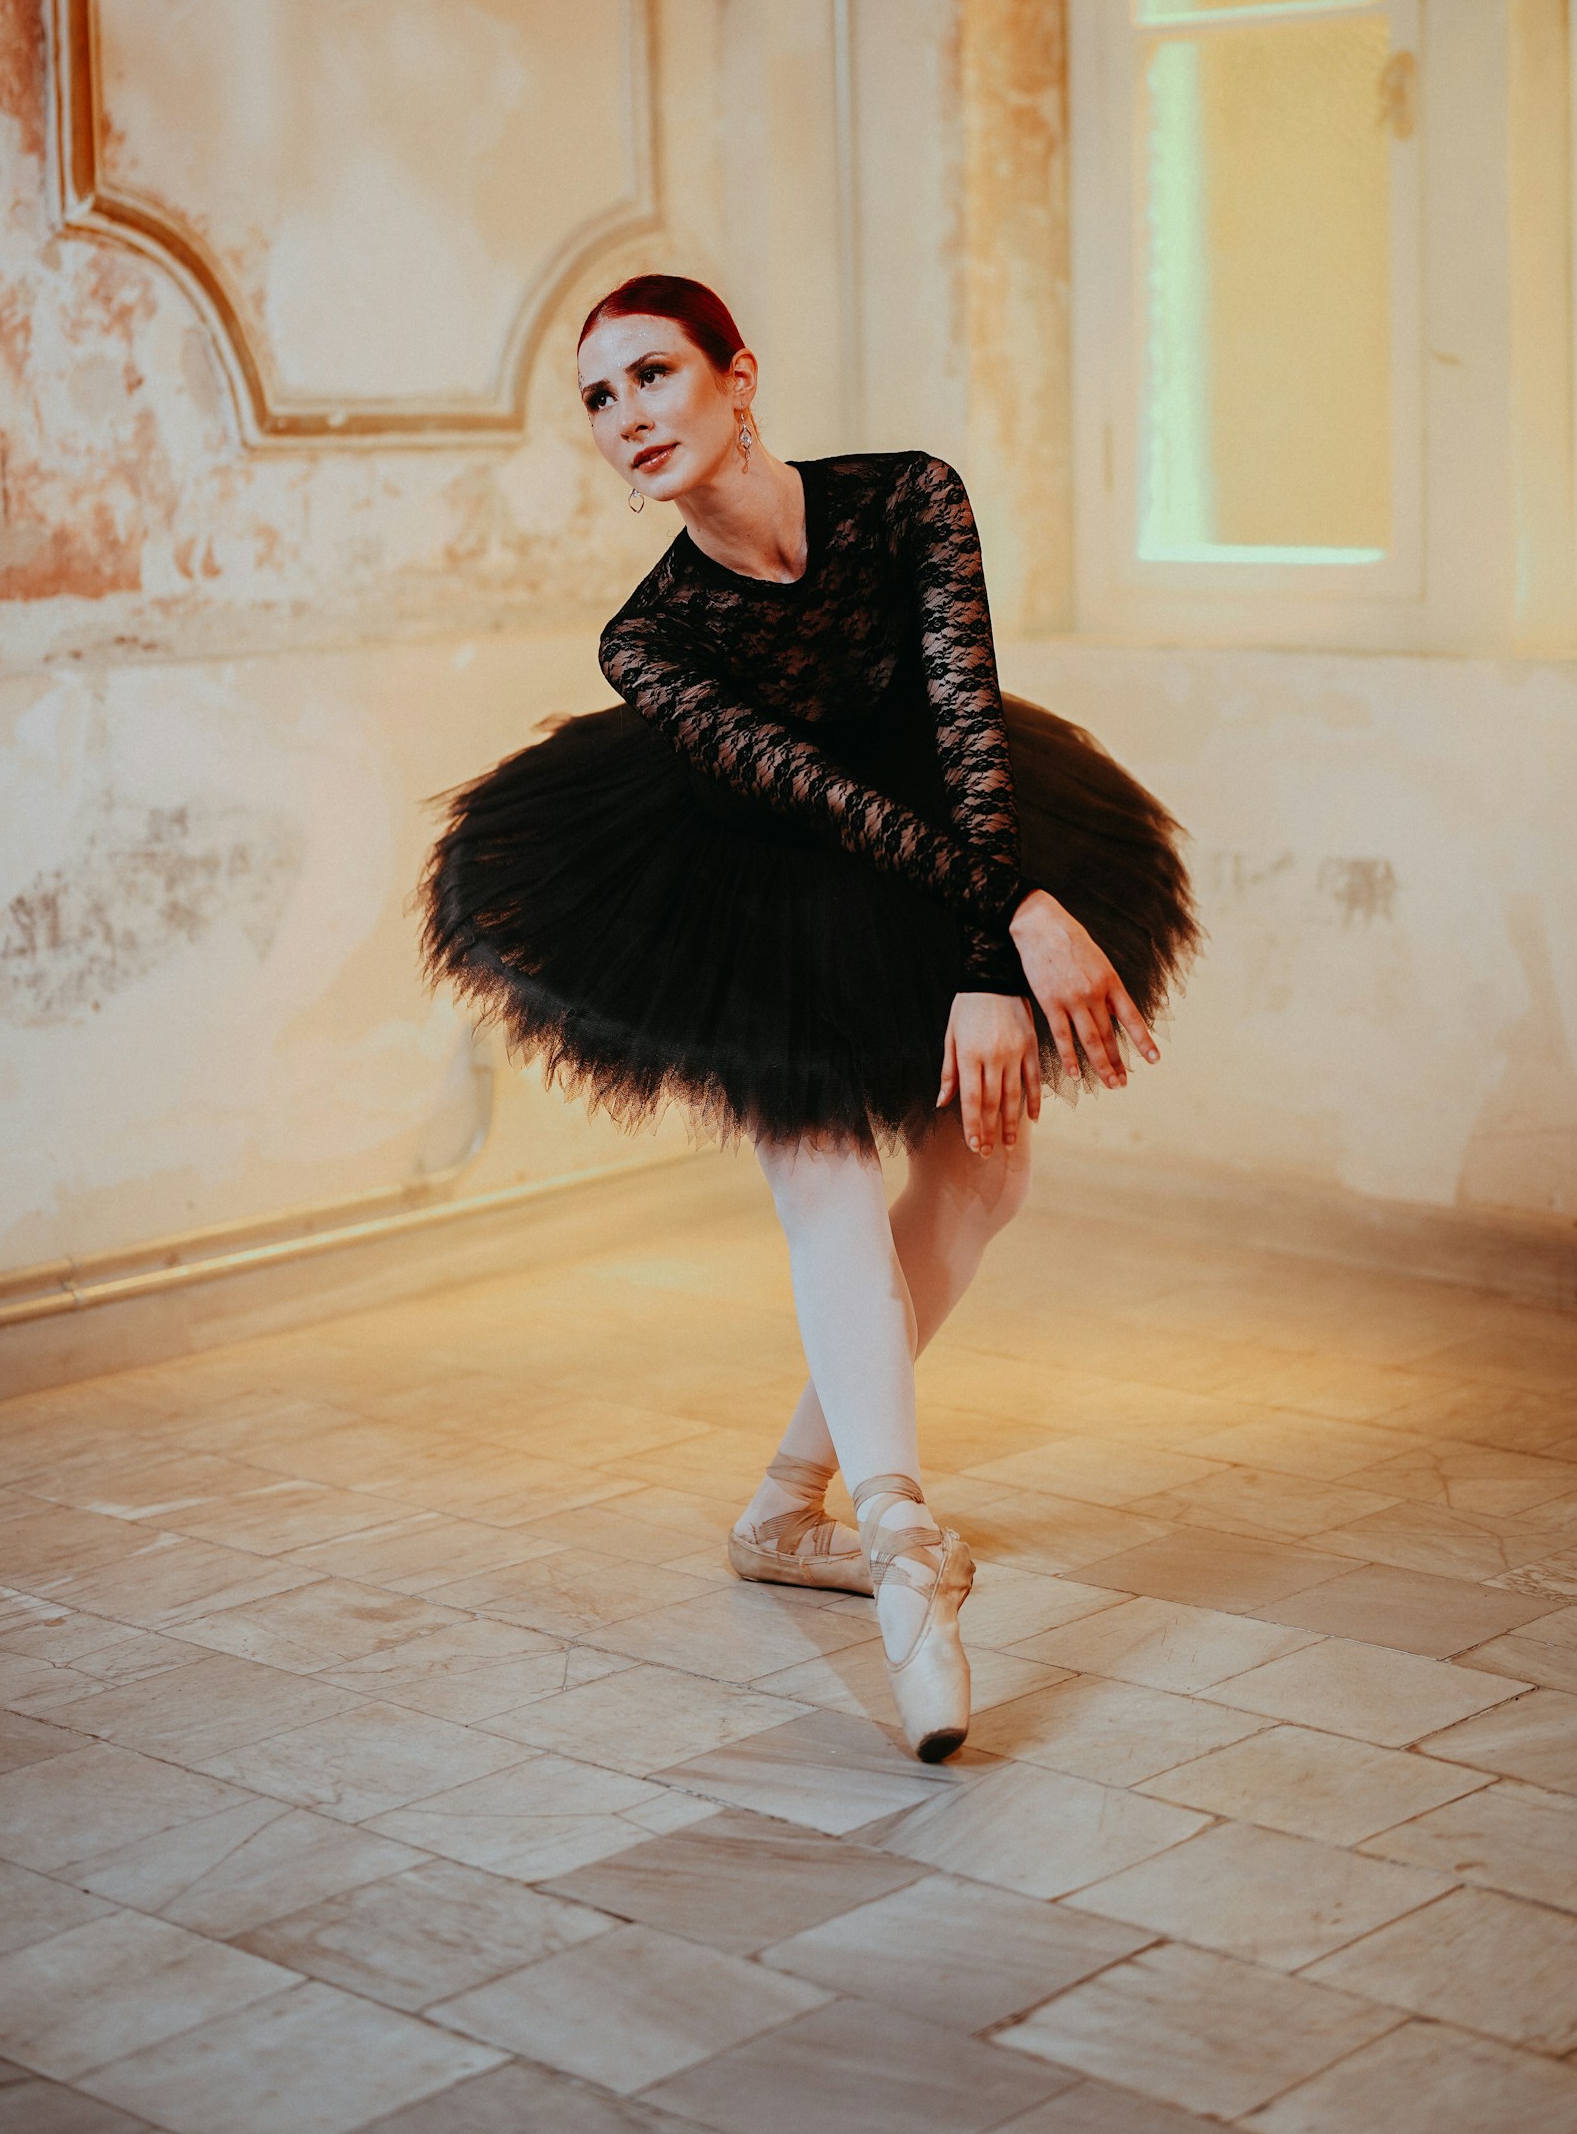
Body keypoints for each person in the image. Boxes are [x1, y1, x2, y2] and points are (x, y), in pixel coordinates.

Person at [423, 275, 1197, 1760]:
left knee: (987, 1178)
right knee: (828, 1178)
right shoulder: (647, 642)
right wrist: (1017, 924)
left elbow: (967, 735)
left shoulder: (911, 499)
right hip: (754, 890)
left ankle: (786, 1508)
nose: (627, 416)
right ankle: (903, 1552)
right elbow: (829, 802)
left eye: (654, 375)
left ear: (739, 377)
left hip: (950, 845)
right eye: (598, 399)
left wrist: (998, 949)